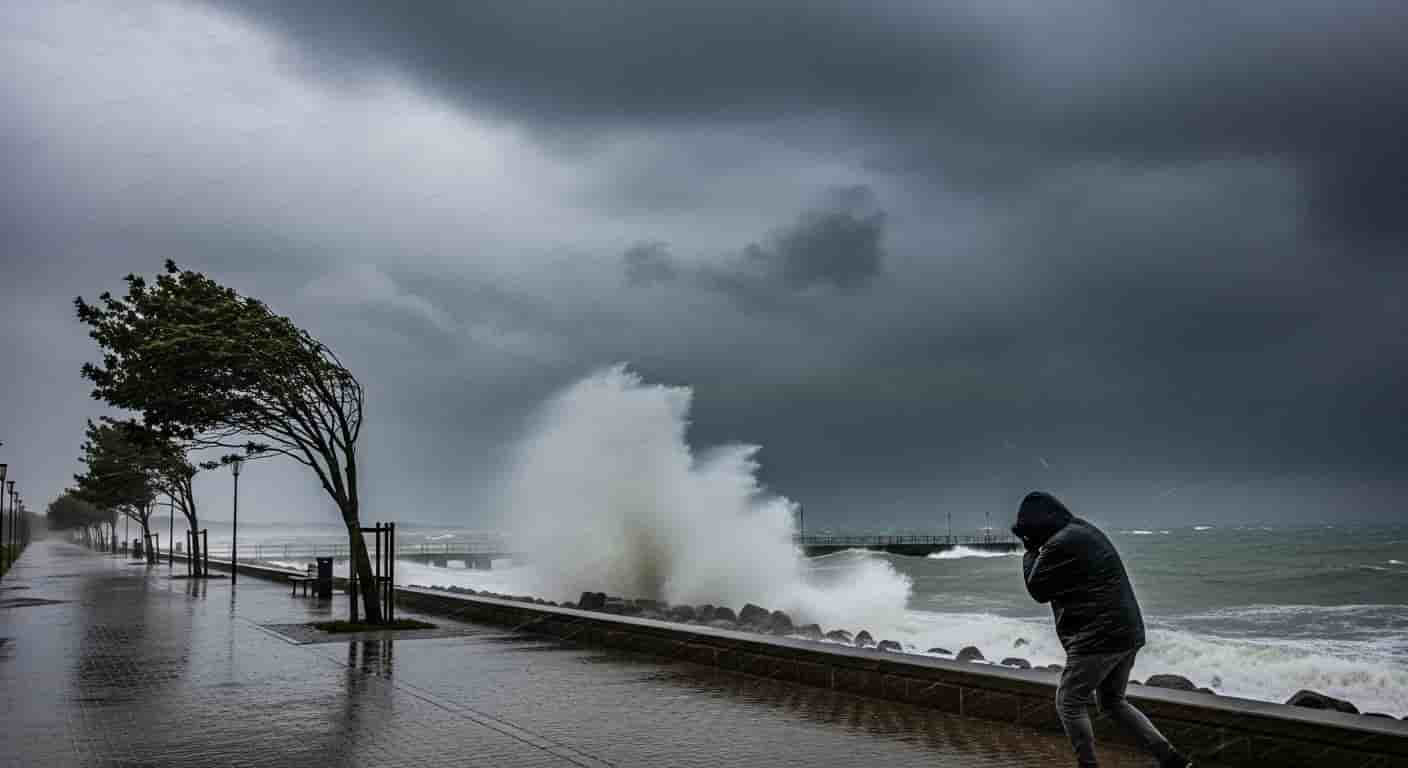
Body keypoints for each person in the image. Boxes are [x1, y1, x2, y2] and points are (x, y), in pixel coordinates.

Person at [1012, 491, 1192, 768]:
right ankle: (1171, 758)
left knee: (1069, 701)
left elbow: (1037, 589)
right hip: (1126, 632)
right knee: (1112, 701)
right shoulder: (1081, 531)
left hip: (1099, 638)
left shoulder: (1061, 543)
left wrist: (1029, 551)